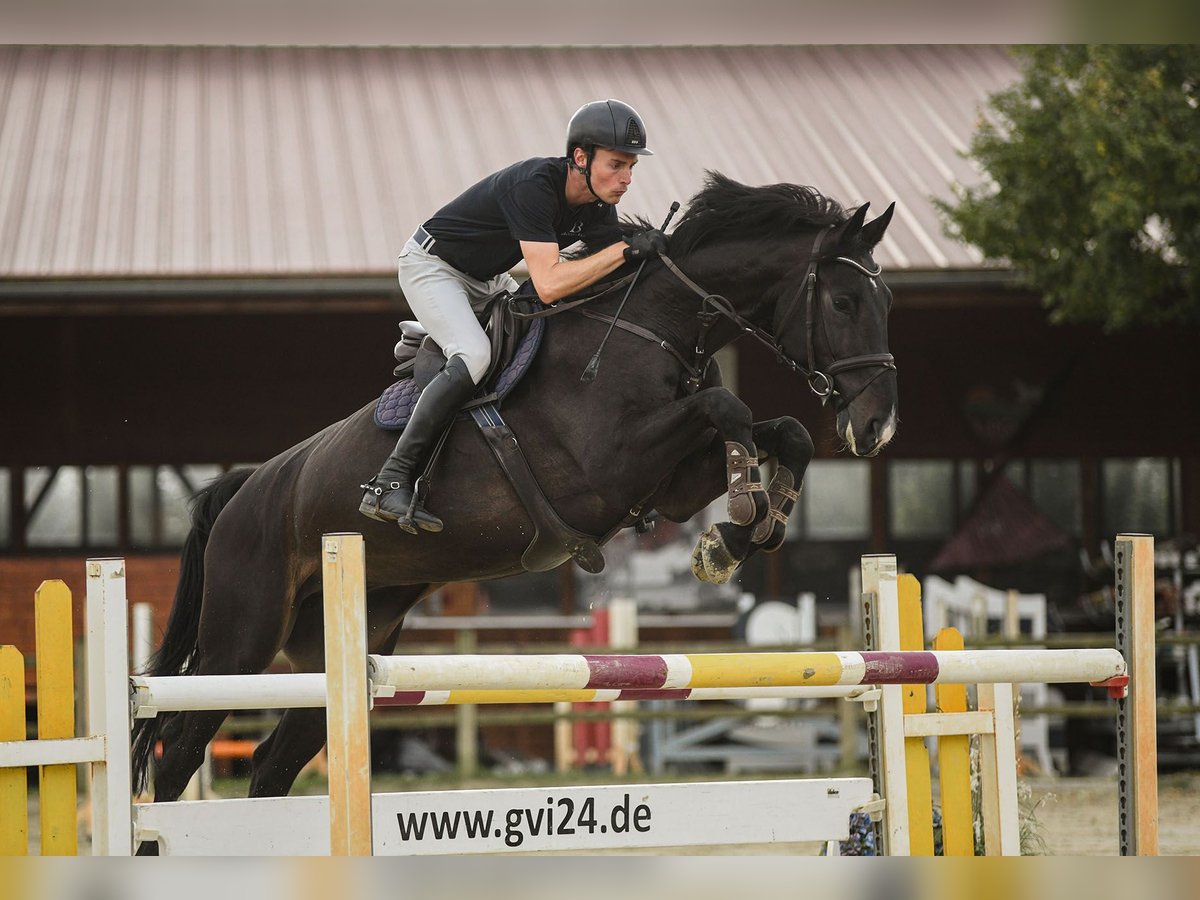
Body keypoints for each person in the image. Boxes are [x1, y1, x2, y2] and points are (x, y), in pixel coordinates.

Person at [360, 99, 668, 533]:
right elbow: (550, 284)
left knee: (552, 332)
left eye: (631, 167)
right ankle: (391, 479)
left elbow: (602, 277)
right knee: (475, 354)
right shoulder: (534, 185)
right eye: (616, 165)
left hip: (487, 279)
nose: (626, 179)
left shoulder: (597, 205)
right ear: (580, 158)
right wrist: (624, 249)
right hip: (432, 267)